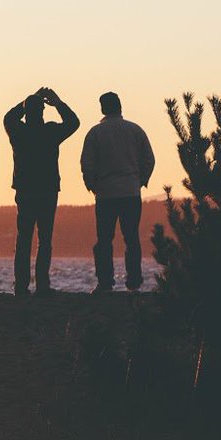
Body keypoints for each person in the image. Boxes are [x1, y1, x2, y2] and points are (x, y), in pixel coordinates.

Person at [3, 87, 80, 296]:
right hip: (47, 190)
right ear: (43, 112)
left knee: (24, 238)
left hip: (25, 190)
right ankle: (42, 285)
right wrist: (58, 103)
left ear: (26, 112)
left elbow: (9, 117)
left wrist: (30, 99)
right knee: (45, 239)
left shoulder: (18, 131)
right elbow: (73, 123)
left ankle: (21, 286)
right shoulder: (51, 132)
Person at [80, 91, 155, 294]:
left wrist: (92, 184)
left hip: (105, 193)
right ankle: (134, 282)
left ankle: (105, 282)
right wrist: (140, 181)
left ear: (102, 108)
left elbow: (87, 162)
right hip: (131, 192)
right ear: (120, 106)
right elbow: (149, 159)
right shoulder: (135, 130)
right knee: (131, 238)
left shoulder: (95, 133)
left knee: (104, 240)